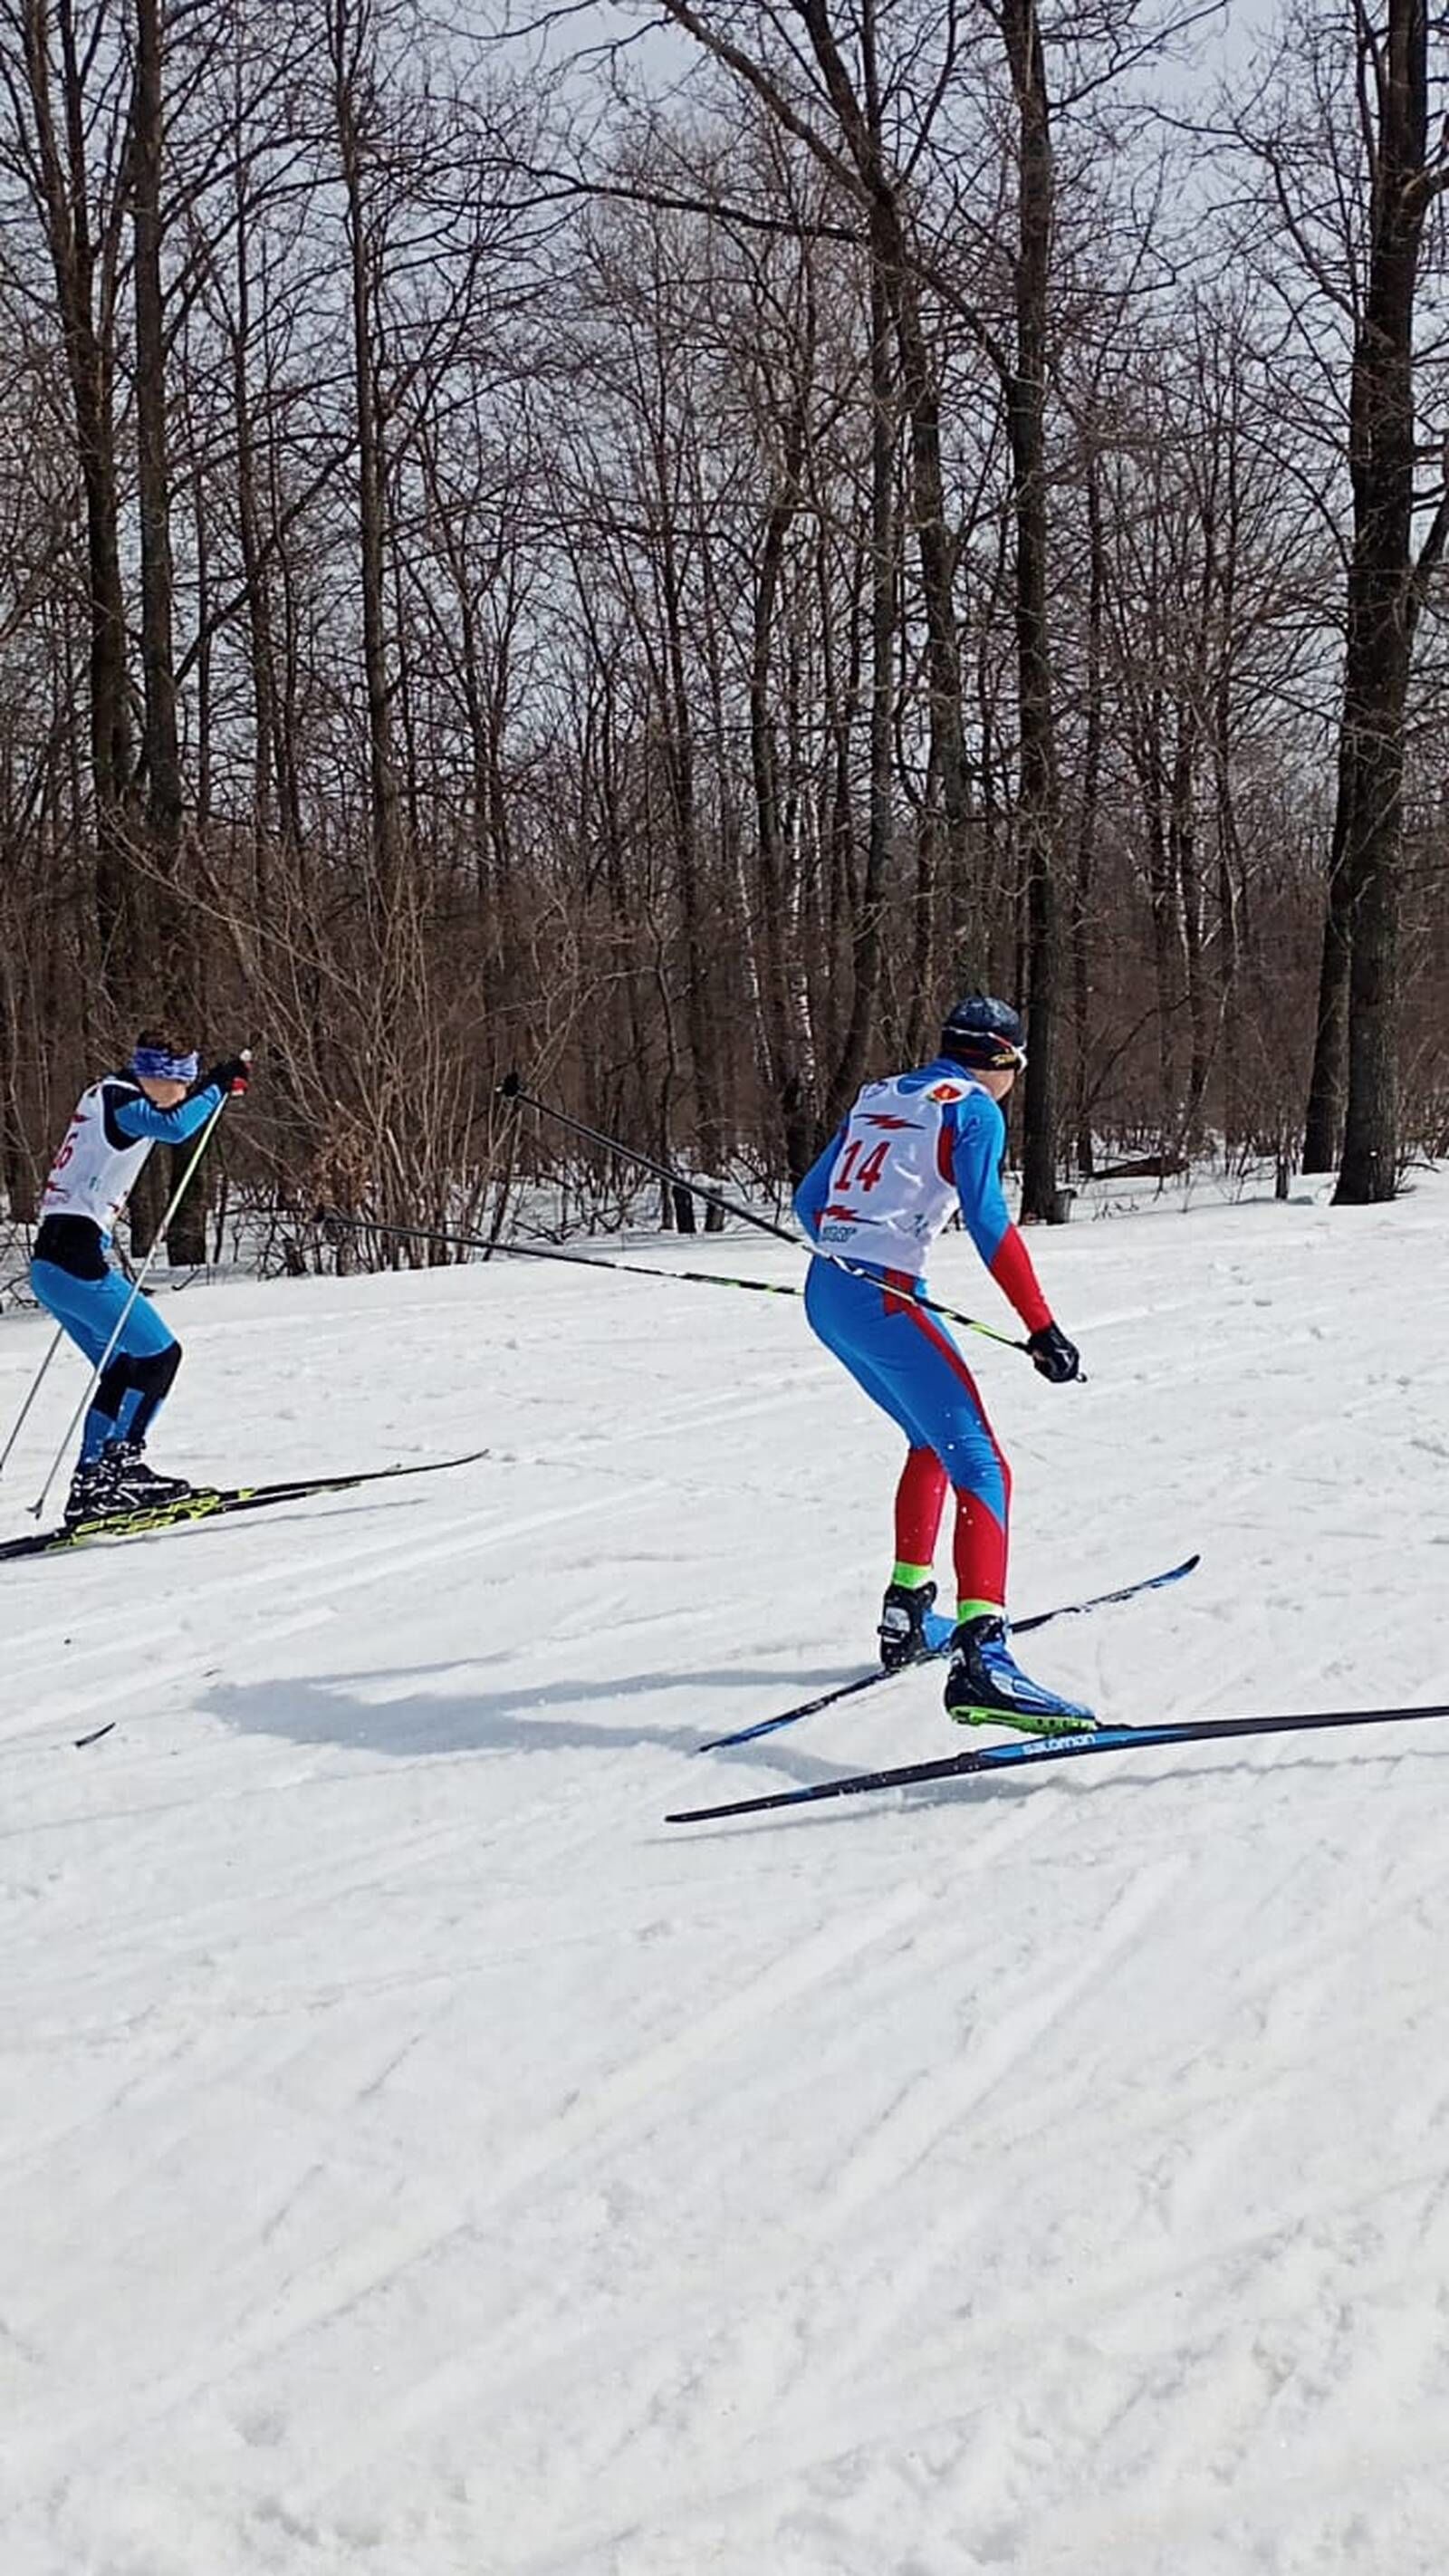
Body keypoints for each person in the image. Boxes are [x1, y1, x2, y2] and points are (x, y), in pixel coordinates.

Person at [793, 994, 1092, 1733]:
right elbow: (990, 1221)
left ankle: (907, 1610)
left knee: (930, 1440)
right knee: (983, 1466)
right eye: (1016, 1066)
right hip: (886, 1300)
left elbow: (808, 1203)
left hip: (830, 1292)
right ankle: (985, 1659)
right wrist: (1043, 1328)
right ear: (1002, 1060)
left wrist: (865, 1240)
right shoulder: (976, 1111)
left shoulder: (883, 1093)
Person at [30, 1033, 250, 1523]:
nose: (185, 1091)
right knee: (160, 1355)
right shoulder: (121, 1097)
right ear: (160, 1076)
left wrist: (211, 1087)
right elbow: (173, 1128)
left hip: (56, 1262)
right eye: (183, 1082)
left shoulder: (107, 1094)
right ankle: (116, 1470)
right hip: (73, 1258)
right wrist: (217, 1086)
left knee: (124, 1367)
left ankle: (95, 1481)